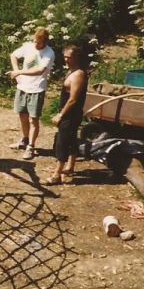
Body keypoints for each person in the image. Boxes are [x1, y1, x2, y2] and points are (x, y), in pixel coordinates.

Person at [7, 27, 55, 160]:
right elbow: (13, 55)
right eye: (35, 41)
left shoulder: (49, 53)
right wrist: (16, 71)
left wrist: (19, 72)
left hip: (37, 88)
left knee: (33, 119)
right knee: (22, 115)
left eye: (39, 42)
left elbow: (40, 70)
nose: (36, 44)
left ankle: (31, 147)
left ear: (45, 42)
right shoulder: (28, 46)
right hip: (23, 86)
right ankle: (25, 140)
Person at [45, 44, 88, 185]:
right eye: (65, 56)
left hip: (71, 114)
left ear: (76, 57)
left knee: (62, 142)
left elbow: (73, 99)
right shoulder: (71, 71)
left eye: (69, 57)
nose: (66, 59)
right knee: (71, 140)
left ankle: (56, 175)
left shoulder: (79, 74)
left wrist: (60, 115)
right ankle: (70, 167)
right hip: (69, 114)